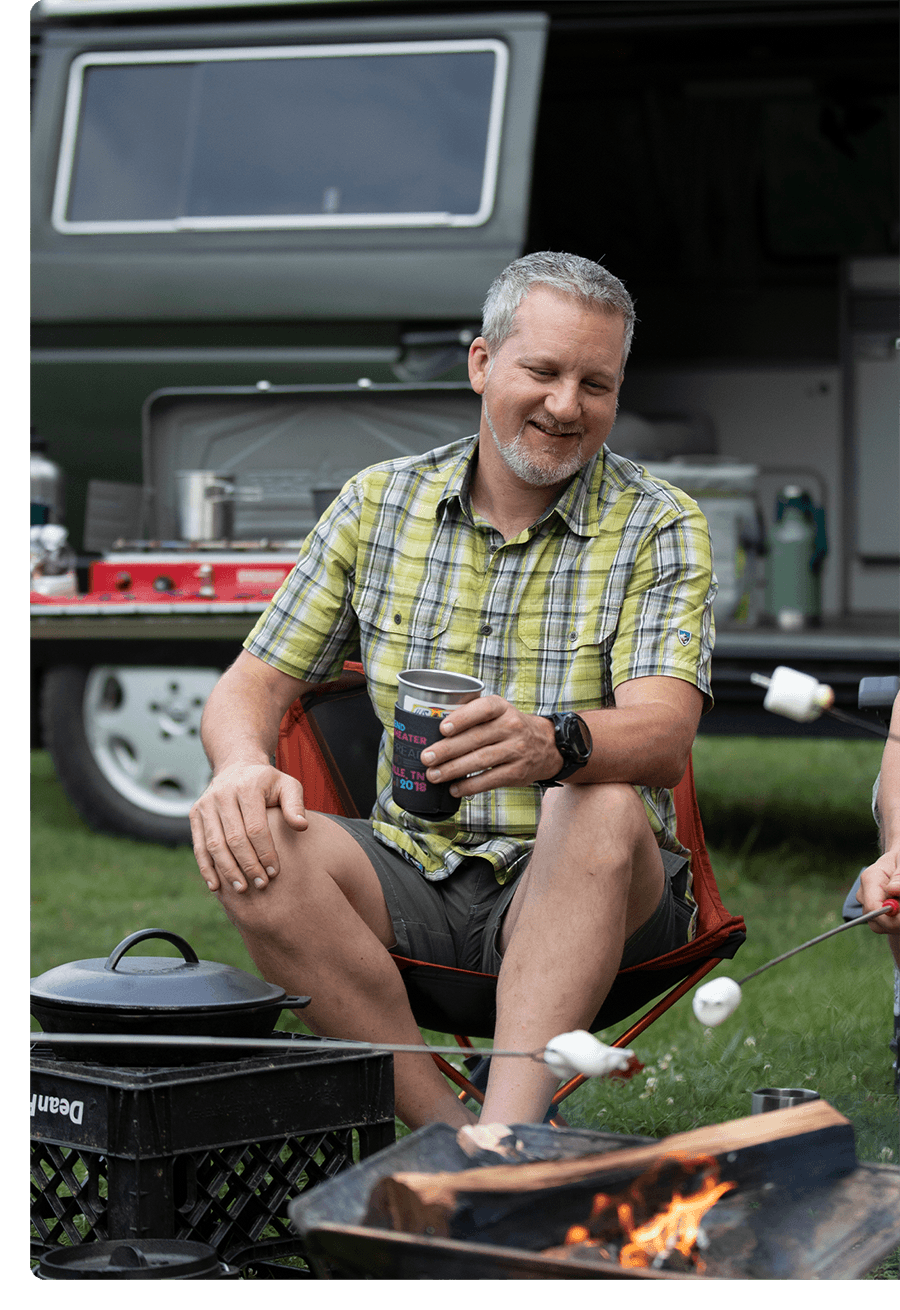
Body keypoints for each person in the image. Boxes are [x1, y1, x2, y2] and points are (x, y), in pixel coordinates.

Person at [189, 251, 716, 1130]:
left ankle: (508, 1139)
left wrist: (556, 745)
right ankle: (447, 1142)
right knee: (253, 840)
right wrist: (239, 766)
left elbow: (663, 736)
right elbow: (252, 683)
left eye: (596, 383)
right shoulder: (378, 505)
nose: (565, 406)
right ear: (482, 364)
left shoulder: (658, 522)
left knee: (593, 802)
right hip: (412, 872)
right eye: (542, 371)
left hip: (602, 891)